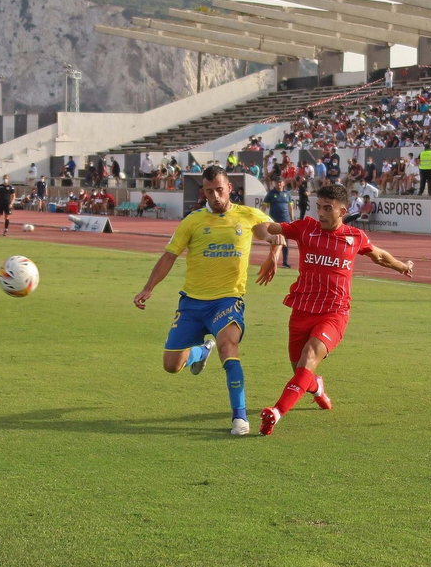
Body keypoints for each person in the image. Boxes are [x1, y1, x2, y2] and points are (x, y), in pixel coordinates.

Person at [257, 183, 415, 436]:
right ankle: (317, 388)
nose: (321, 212)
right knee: (301, 372)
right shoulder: (306, 228)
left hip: (334, 313)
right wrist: (267, 237)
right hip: (302, 309)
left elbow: (379, 256)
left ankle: (275, 413)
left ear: (342, 211)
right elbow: (263, 227)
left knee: (309, 355)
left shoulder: (354, 237)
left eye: (327, 208)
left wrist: (402, 266)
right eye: (318, 206)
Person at [132, 165, 278, 436]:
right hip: (191, 303)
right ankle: (201, 352)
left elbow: (271, 232)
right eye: (210, 191)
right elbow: (169, 256)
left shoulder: (248, 215)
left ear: (230, 188)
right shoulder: (193, 220)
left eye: (220, 190)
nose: (216, 196)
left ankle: (240, 417)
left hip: (227, 300)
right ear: (204, 192)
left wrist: (273, 252)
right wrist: (148, 287)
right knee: (171, 366)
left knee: (228, 347)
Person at [264, 179, 293, 266]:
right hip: (274, 221)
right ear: (274, 183)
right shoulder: (270, 194)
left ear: (283, 183)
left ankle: (285, 262)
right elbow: (264, 207)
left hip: (285, 220)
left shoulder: (287, 193)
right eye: (277, 182)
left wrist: (292, 219)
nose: (279, 184)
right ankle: (272, 261)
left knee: (285, 241)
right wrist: (262, 218)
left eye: (280, 182)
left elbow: (290, 207)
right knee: (274, 241)